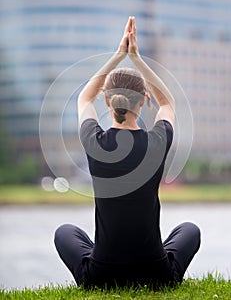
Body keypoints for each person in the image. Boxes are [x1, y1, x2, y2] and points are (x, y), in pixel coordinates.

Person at [54, 17, 200, 289]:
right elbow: (167, 102)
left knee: (65, 233)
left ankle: (104, 258)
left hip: (101, 275)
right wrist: (136, 58)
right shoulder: (157, 141)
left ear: (107, 100)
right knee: (189, 230)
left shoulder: (95, 141)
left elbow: (84, 98)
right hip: (156, 275)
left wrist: (118, 55)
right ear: (144, 100)